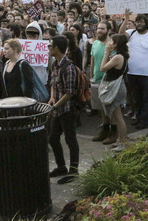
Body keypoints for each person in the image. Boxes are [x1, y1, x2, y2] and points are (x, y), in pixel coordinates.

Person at [47, 35, 80, 184]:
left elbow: (70, 92)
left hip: (66, 110)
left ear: (57, 48)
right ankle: (61, 167)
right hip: (58, 109)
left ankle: (74, 170)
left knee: (70, 139)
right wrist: (52, 98)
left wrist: (56, 104)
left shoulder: (69, 67)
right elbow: (54, 84)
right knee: (53, 138)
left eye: (50, 46)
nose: (48, 48)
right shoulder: (55, 64)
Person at [122, 13, 148, 130]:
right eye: (137, 21)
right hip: (132, 73)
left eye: (141, 21)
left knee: (147, 98)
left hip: (147, 74)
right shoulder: (131, 33)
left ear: (146, 24)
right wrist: (126, 19)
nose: (139, 24)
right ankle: (138, 117)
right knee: (136, 98)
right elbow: (120, 32)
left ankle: (145, 120)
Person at [98, 34, 129, 151]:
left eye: (112, 41)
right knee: (116, 117)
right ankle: (120, 140)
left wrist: (106, 52)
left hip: (116, 88)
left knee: (118, 117)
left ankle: (124, 143)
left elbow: (102, 68)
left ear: (116, 44)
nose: (109, 42)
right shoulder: (119, 55)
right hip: (117, 86)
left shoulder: (118, 57)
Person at [89, 21, 116, 143]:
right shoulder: (94, 43)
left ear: (109, 30)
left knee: (111, 109)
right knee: (101, 109)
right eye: (98, 28)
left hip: (108, 81)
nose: (99, 30)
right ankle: (105, 130)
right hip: (96, 80)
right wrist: (91, 76)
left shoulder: (112, 45)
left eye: (102, 29)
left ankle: (113, 133)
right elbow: (92, 60)